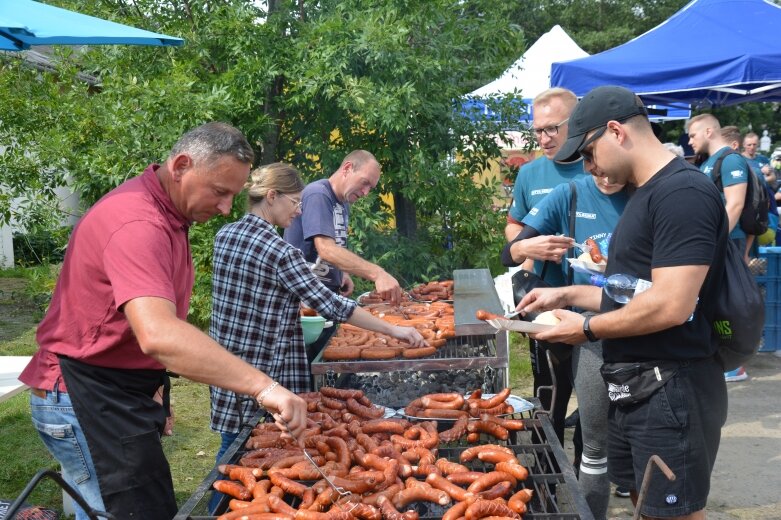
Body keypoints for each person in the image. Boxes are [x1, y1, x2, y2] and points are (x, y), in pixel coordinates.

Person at [18, 123, 308, 520]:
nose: (226, 208)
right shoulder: (138, 222)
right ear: (182, 166)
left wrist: (153, 387)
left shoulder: (167, 213)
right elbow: (158, 334)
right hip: (79, 394)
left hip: (116, 389)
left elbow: (135, 328)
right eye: (220, 192)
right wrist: (265, 387)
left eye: (233, 195)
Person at [518, 86, 729, 520]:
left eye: (589, 153)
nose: (588, 166)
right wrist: (569, 294)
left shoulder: (682, 194)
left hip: (673, 386)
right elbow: (635, 293)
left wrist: (586, 329)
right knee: (643, 503)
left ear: (615, 131)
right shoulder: (644, 192)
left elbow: (671, 305)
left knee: (676, 512)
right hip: (636, 385)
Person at [207, 162, 424, 511]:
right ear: (272, 197)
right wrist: (393, 329)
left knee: (236, 447)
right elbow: (335, 307)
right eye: (294, 202)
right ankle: (221, 511)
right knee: (247, 459)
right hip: (266, 370)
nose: (299, 210)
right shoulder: (280, 252)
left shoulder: (225, 236)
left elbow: (255, 290)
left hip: (225, 366)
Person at [502, 174, 629, 520]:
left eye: (551, 128)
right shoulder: (561, 189)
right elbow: (509, 252)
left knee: (625, 442)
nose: (597, 169)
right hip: (578, 328)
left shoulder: (649, 189)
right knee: (584, 432)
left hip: (641, 337)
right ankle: (550, 492)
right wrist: (527, 249)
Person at [503, 87, 586, 457]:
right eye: (537, 130)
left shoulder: (597, 166)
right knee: (549, 387)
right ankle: (547, 471)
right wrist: (527, 253)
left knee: (595, 392)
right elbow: (513, 226)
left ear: (577, 123)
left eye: (552, 128)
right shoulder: (531, 173)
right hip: (546, 299)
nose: (544, 138)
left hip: (598, 303)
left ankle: (595, 462)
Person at [283, 150, 402, 305]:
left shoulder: (343, 203)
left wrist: (341, 273)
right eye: (365, 182)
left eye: (371, 188)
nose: (366, 192)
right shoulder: (318, 194)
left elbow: (334, 245)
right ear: (347, 168)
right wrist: (378, 273)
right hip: (302, 300)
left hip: (324, 296)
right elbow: (326, 249)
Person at [689, 114, 751, 383]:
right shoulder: (710, 162)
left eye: (693, 135)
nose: (690, 141)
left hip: (726, 244)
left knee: (729, 304)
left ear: (709, 131)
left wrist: (715, 241)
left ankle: (735, 363)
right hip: (715, 243)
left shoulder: (731, 159)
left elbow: (735, 204)